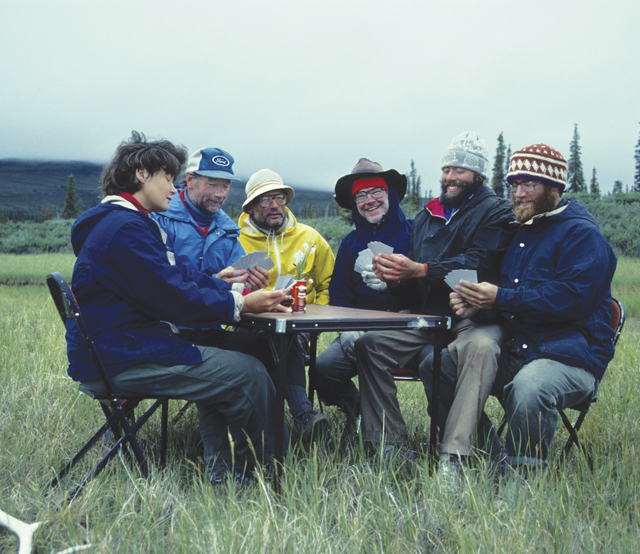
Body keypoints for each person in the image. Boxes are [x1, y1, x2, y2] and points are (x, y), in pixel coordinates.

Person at [66, 132, 290, 485]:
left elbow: (173, 278)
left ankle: (225, 470)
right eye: (168, 178)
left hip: (119, 348)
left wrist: (228, 286)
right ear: (142, 173)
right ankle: (260, 477)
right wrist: (241, 302)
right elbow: (172, 297)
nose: (173, 189)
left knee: (233, 354)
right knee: (247, 373)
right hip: (120, 356)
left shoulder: (121, 223)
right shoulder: (126, 228)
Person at [451, 143, 617, 473]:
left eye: (529, 184)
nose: (518, 193)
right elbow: (513, 299)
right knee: (438, 367)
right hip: (524, 349)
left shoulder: (583, 235)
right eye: (513, 185)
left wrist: (498, 297)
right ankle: (494, 454)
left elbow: (571, 300)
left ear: (555, 187)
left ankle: (521, 482)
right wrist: (480, 308)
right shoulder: (522, 232)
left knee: (530, 387)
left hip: (570, 355)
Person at [353, 132, 515, 464]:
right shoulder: (427, 215)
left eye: (459, 170)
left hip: (475, 316)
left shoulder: (496, 211)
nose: (450, 178)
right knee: (369, 345)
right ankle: (392, 446)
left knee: (481, 348)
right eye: (446, 169)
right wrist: (396, 279)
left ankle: (453, 457)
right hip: (429, 319)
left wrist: (421, 269)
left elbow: (478, 262)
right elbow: (416, 283)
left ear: (478, 176)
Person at [314, 158, 412, 432]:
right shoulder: (349, 243)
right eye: (360, 195)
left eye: (376, 191)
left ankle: (382, 433)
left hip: (407, 333)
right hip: (358, 332)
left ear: (390, 193)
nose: (369, 200)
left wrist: (397, 285)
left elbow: (426, 292)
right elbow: (340, 296)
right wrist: (349, 329)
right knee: (323, 369)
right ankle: (355, 409)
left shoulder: (415, 234)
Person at [238, 168, 336, 440]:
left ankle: (287, 422)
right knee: (275, 331)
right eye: (265, 200)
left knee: (286, 330)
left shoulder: (310, 237)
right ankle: (304, 415)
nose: (274, 206)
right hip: (244, 325)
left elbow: (329, 281)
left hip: (300, 326)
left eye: (279, 198)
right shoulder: (234, 239)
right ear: (250, 207)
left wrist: (317, 316)